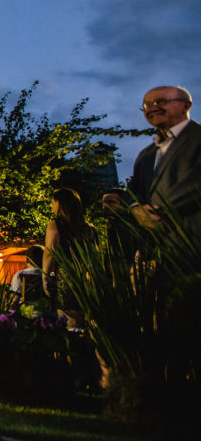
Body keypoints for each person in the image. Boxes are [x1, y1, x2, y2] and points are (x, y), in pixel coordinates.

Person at [104, 85, 201, 243]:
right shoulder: (146, 155)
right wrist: (136, 208)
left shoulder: (197, 138)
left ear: (186, 105)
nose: (153, 108)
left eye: (161, 101)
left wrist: (158, 214)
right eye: (146, 105)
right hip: (162, 248)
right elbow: (133, 189)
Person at [42, 188, 97, 312]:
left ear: (60, 203)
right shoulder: (89, 229)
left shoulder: (55, 225)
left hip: (66, 276)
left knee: (66, 319)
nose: (51, 205)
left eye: (53, 201)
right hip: (86, 278)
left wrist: (45, 276)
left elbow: (50, 252)